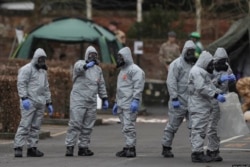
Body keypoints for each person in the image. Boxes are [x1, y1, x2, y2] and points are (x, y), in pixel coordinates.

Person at [65, 46, 109, 157]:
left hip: (91, 100)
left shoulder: (98, 70)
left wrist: (104, 98)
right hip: (78, 99)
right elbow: (79, 68)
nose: (93, 57)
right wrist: (86, 66)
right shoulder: (79, 64)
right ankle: (70, 147)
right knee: (75, 124)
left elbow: (101, 84)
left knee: (88, 126)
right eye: (91, 55)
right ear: (87, 55)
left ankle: (83, 147)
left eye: (95, 55)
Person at [14, 48, 53, 157]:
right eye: (40, 58)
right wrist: (24, 98)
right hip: (29, 102)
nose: (42, 60)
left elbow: (46, 87)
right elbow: (21, 83)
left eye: (43, 59)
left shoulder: (43, 71)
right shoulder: (27, 69)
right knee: (25, 125)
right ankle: (18, 147)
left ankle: (32, 147)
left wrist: (49, 102)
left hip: (40, 102)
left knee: (36, 126)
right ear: (36, 58)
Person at [188, 51, 226, 163]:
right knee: (198, 129)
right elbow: (201, 87)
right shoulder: (196, 71)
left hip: (203, 105)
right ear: (204, 62)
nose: (211, 67)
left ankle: (198, 151)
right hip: (198, 105)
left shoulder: (202, 72)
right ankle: (197, 153)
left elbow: (209, 85)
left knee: (201, 129)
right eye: (210, 64)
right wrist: (216, 95)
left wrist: (219, 92)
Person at [161, 40, 197, 158]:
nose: (191, 54)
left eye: (193, 51)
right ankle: (166, 147)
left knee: (194, 127)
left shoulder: (195, 65)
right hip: (178, 101)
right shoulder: (176, 64)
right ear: (184, 50)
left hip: (192, 101)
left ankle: (196, 150)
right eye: (189, 51)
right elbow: (171, 81)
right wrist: (174, 97)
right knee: (172, 125)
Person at [112, 47, 145, 158]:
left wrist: (135, 100)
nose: (118, 59)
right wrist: (116, 102)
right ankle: (127, 146)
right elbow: (120, 88)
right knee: (125, 127)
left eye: (120, 57)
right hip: (122, 103)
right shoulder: (122, 71)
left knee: (129, 126)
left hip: (130, 103)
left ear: (126, 56)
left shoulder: (135, 70)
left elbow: (138, 86)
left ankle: (131, 148)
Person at [206, 47, 236, 162]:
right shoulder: (211, 67)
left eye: (224, 60)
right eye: (221, 61)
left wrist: (232, 79)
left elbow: (231, 79)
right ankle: (211, 150)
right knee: (213, 125)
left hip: (224, 99)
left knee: (219, 126)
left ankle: (215, 149)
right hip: (214, 98)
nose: (223, 63)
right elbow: (207, 84)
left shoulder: (227, 67)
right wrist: (218, 81)